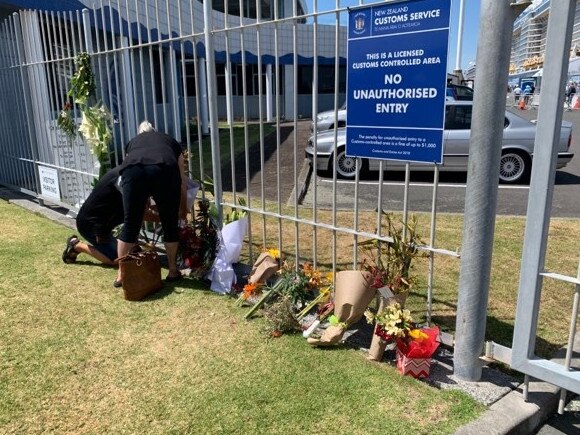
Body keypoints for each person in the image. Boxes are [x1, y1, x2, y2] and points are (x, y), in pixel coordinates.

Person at [115, 121, 187, 287]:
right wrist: (183, 209)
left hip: (133, 171)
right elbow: (182, 182)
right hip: (165, 169)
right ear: (156, 131)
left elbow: (136, 171)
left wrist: (142, 201)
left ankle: (121, 273)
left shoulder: (133, 143)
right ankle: (173, 270)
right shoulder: (170, 141)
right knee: (170, 223)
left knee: (130, 224)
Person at [62, 166, 124, 266]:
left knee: (128, 254)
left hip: (103, 225)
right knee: (118, 259)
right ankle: (77, 246)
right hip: (91, 225)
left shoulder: (124, 173)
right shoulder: (121, 178)